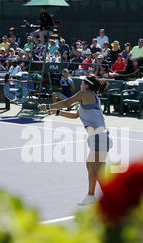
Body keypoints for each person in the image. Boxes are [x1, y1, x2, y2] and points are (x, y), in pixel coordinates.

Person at [38, 74, 111, 206]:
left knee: (95, 170)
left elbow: (67, 102)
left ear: (87, 85)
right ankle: (95, 196)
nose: (80, 85)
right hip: (98, 137)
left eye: (82, 83)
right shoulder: (89, 96)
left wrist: (49, 107)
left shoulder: (85, 93)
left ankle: (105, 196)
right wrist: (57, 112)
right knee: (92, 168)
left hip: (99, 136)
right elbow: (76, 115)